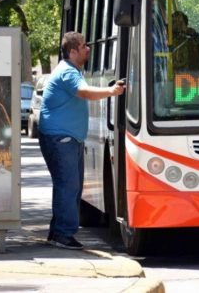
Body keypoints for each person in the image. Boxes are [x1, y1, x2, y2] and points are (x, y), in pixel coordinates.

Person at [39, 31, 125, 250]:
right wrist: (112, 91)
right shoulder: (68, 73)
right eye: (84, 46)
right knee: (68, 186)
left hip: (68, 138)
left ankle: (59, 232)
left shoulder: (72, 70)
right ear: (72, 51)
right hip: (61, 139)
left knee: (70, 187)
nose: (88, 48)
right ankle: (63, 235)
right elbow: (85, 93)